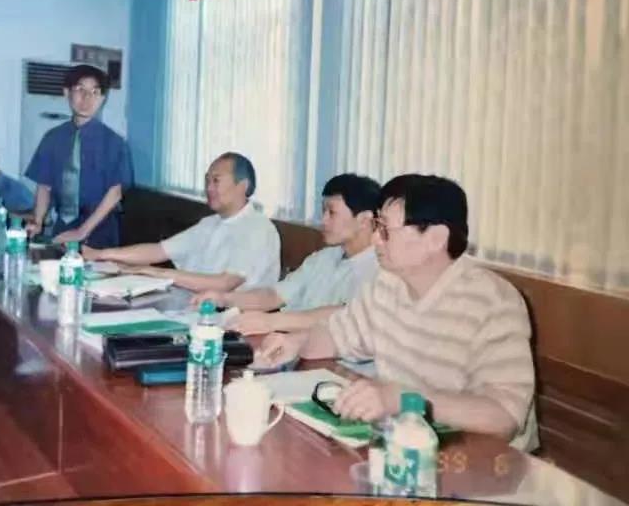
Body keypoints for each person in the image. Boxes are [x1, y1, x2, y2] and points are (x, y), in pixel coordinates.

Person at [254, 174, 538, 451]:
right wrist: (296, 342)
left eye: (385, 229)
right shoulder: (388, 284)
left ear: (436, 238)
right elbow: (339, 335)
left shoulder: (493, 301)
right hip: (405, 442)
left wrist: (405, 399)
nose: (376, 240)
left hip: (480, 458)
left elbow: (504, 417)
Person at [193, 174, 380, 336]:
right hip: (286, 343)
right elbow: (274, 295)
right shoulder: (324, 258)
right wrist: (224, 299)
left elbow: (344, 314)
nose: (323, 220)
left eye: (332, 213)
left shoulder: (378, 268)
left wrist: (271, 321)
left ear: (364, 220)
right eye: (323, 211)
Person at [84, 152, 280, 293]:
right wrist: (100, 254)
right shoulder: (210, 224)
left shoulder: (257, 228)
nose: (209, 188)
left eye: (216, 181)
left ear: (242, 186)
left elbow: (225, 283)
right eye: (207, 181)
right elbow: (158, 251)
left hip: (236, 321)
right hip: (194, 307)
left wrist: (157, 273)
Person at [25, 64, 132, 248]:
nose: (87, 98)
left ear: (102, 98)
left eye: (95, 92)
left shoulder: (114, 143)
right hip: (63, 227)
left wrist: (82, 231)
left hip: (101, 229)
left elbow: (115, 193)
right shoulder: (52, 138)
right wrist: (38, 220)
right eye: (80, 90)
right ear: (67, 93)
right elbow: (44, 186)